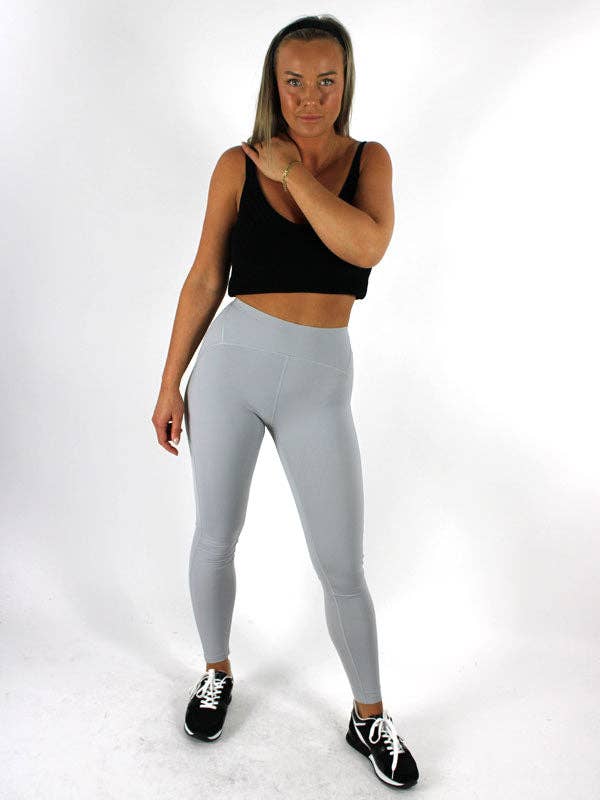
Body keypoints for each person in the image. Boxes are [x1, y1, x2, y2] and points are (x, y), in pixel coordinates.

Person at [151, 14, 419, 790]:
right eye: (294, 81)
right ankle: (216, 671)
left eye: (325, 81)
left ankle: (368, 715)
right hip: (229, 370)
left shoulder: (369, 161)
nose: (309, 97)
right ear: (275, 83)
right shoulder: (235, 166)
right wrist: (170, 380)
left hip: (318, 388)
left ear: (345, 82)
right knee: (215, 535)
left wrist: (294, 173)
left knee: (342, 564)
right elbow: (206, 277)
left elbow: (366, 246)